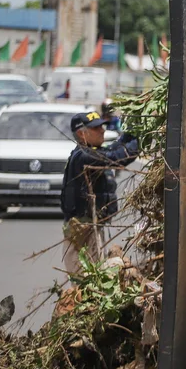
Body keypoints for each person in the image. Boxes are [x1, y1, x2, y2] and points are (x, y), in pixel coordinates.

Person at [60, 110, 140, 274]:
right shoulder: (83, 156)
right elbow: (116, 157)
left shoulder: (90, 152)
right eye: (96, 128)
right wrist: (139, 142)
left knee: (94, 276)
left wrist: (133, 132)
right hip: (82, 232)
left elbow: (114, 148)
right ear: (82, 134)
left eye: (102, 126)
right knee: (86, 280)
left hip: (91, 227)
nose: (102, 130)